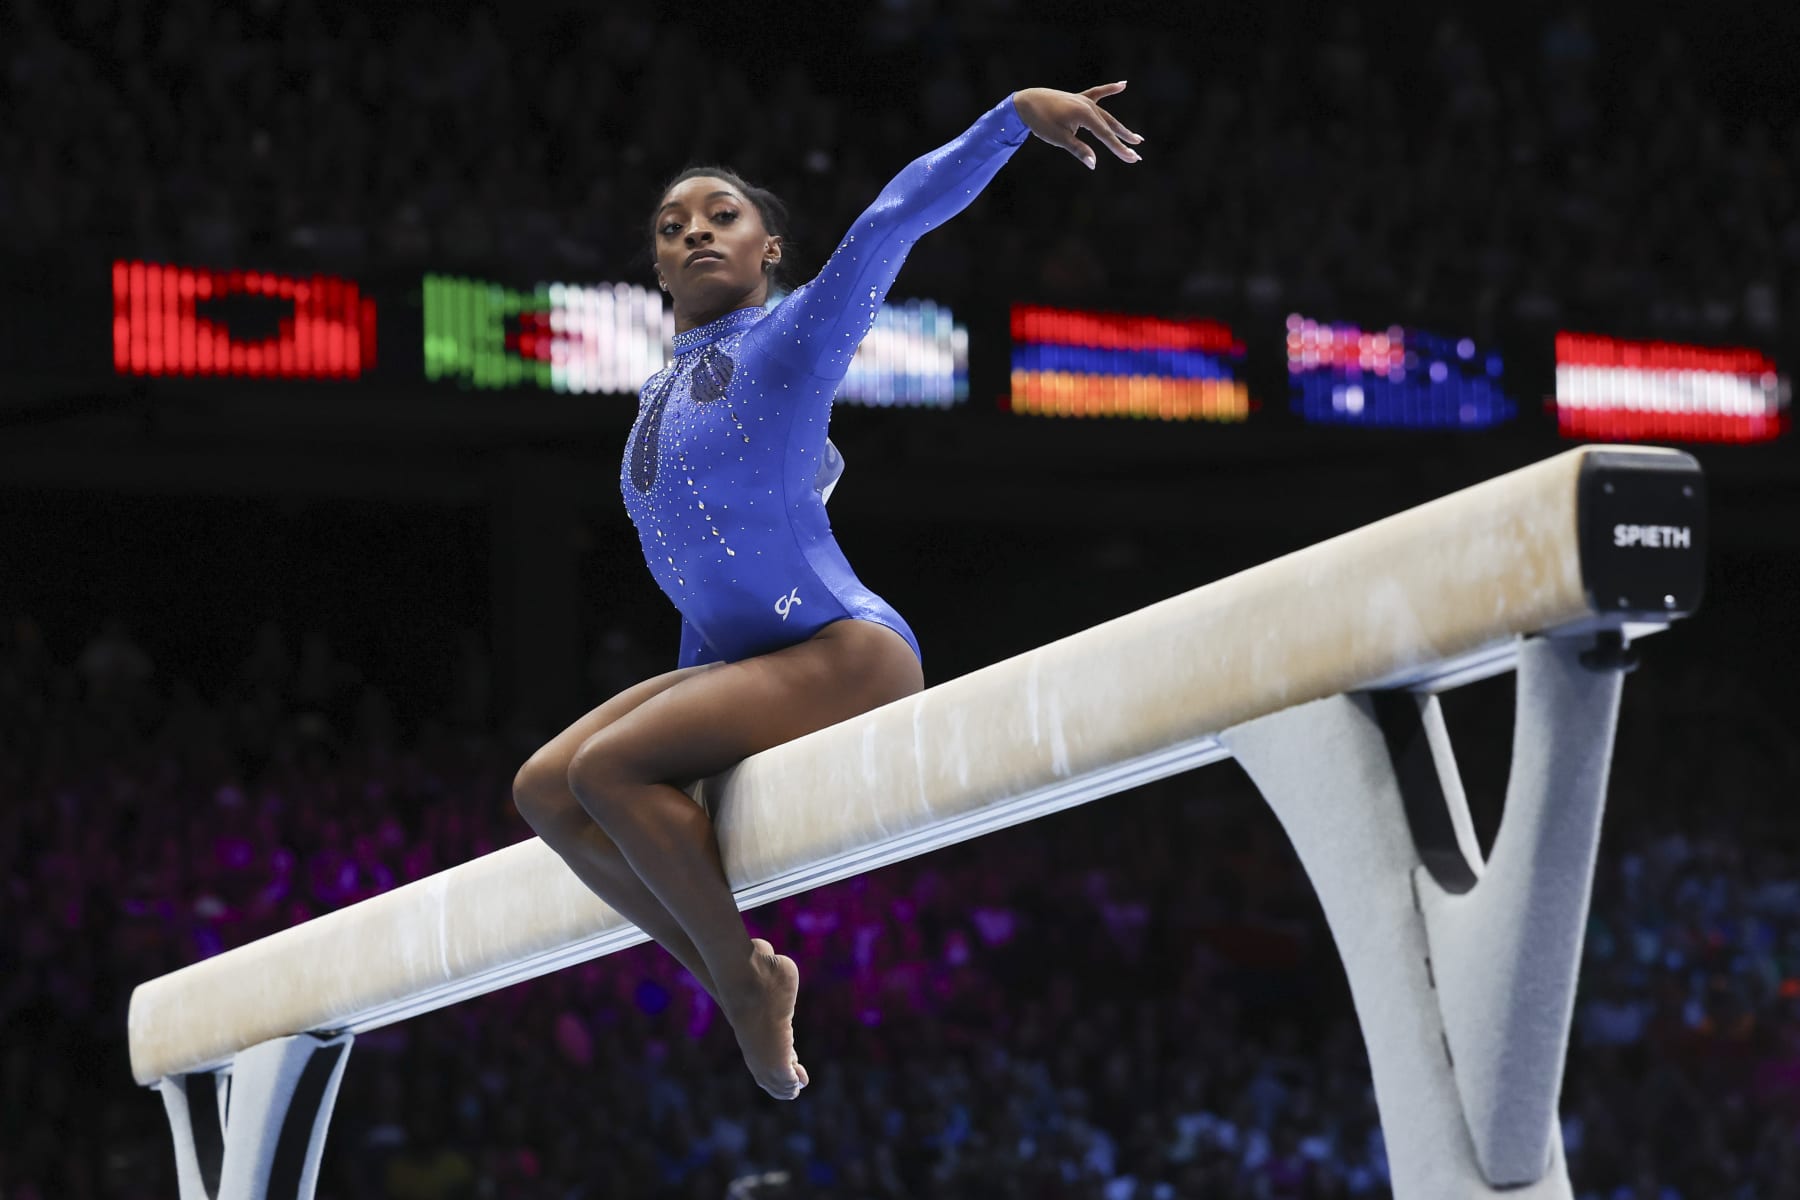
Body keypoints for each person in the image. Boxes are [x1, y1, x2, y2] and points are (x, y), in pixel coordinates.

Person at [512, 83, 1144, 1100]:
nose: (696, 233)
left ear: (769, 252)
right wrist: (697, 731)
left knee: (612, 770)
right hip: (756, 665)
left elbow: (893, 216)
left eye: (724, 216)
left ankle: (744, 988)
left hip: (845, 651)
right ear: (659, 267)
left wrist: (1010, 119)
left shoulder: (793, 338)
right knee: (546, 787)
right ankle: (739, 976)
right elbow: (700, 584)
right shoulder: (654, 400)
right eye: (673, 228)